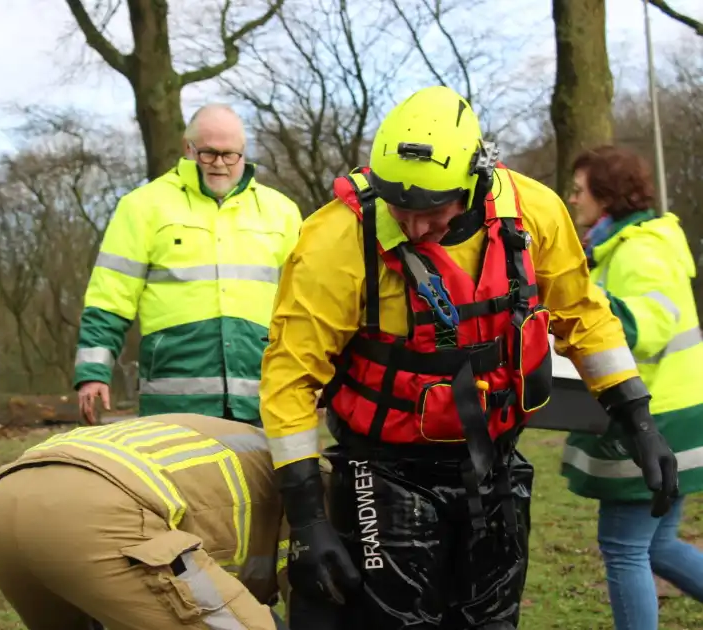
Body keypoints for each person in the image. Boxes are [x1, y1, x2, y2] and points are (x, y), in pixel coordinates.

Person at [258, 85, 679, 630]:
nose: (412, 226)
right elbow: (289, 378)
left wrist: (637, 418)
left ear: (476, 180)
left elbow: (584, 315)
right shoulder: (336, 239)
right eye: (398, 206)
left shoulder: (533, 215)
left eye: (432, 209)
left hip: (494, 461)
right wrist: (309, 518)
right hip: (382, 467)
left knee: (491, 620)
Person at [73, 103, 303, 426]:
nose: (220, 164)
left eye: (230, 154)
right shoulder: (142, 207)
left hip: (262, 402)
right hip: (173, 403)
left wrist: (314, 376)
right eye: (208, 153)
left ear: (244, 152)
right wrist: (93, 372)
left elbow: (304, 307)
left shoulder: (282, 212)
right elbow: (110, 296)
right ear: (188, 149)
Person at [0, 412, 298, 630]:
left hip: (5, 500)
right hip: (101, 511)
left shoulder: (232, 439)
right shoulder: (306, 480)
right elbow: (307, 578)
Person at [562, 144, 703, 630]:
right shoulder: (623, 245)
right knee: (657, 544)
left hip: (656, 420)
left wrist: (585, 304)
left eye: (579, 191)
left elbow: (651, 321)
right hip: (675, 417)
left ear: (607, 196)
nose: (572, 199)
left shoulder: (639, 247)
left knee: (625, 549)